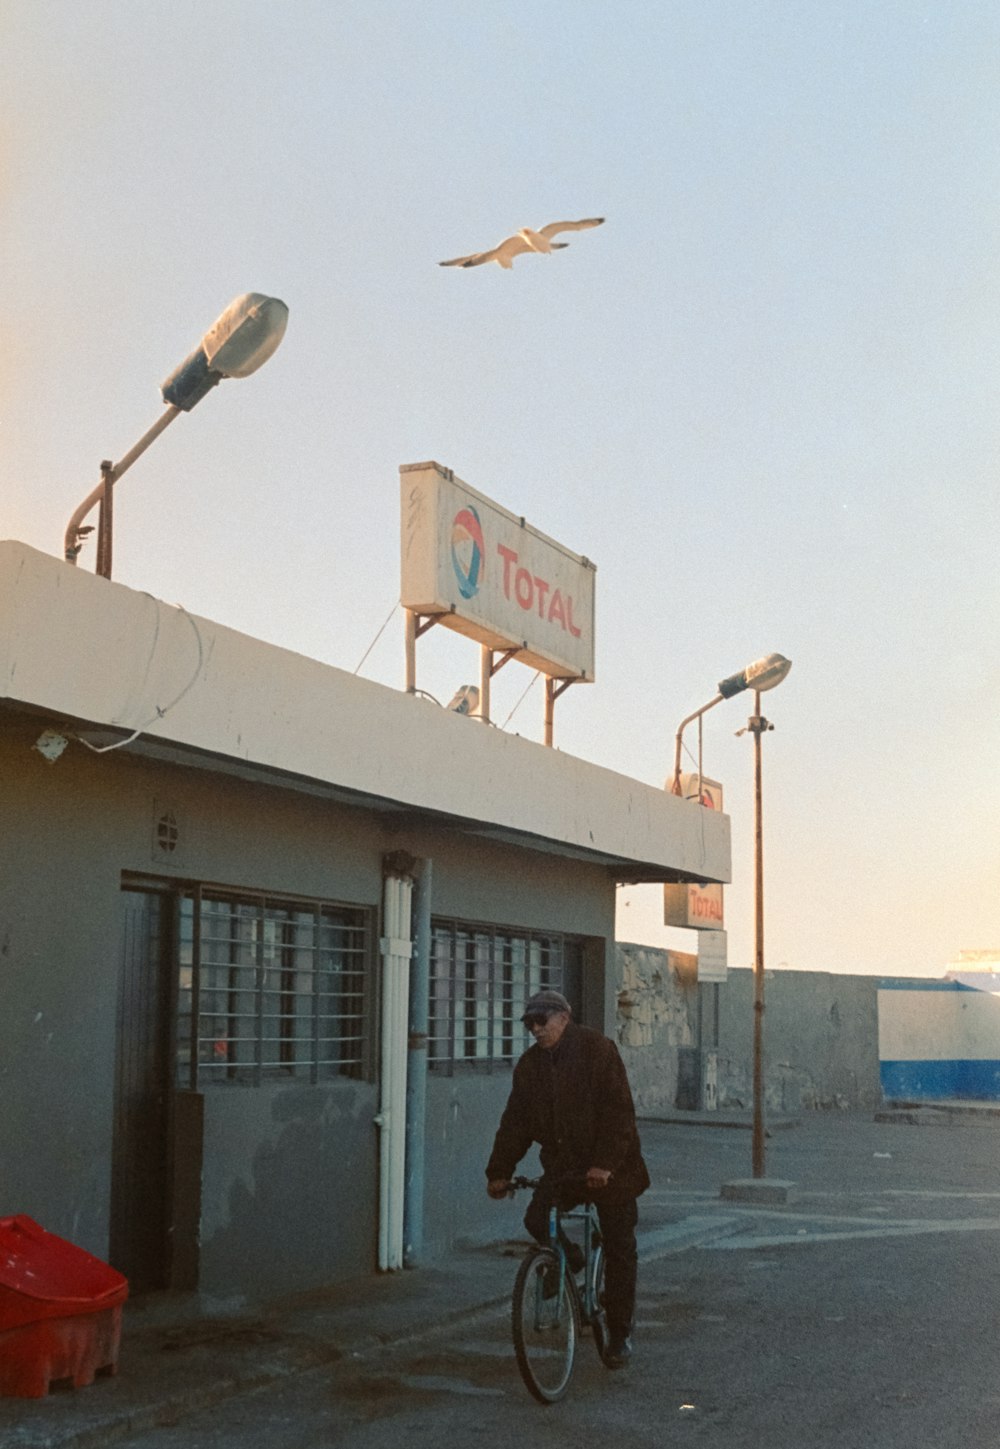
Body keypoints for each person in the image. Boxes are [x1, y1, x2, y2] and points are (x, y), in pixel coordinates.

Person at [485, 988, 649, 1369]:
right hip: (566, 1168)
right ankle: (569, 1260)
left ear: (564, 1017)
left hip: (614, 1169)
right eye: (530, 1024)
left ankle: (620, 1332)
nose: (536, 1030)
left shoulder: (597, 1050)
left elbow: (618, 1112)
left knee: (620, 1244)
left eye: (542, 1021)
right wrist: (499, 1172)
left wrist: (605, 1164)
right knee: (537, 1219)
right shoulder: (530, 1067)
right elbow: (515, 1124)